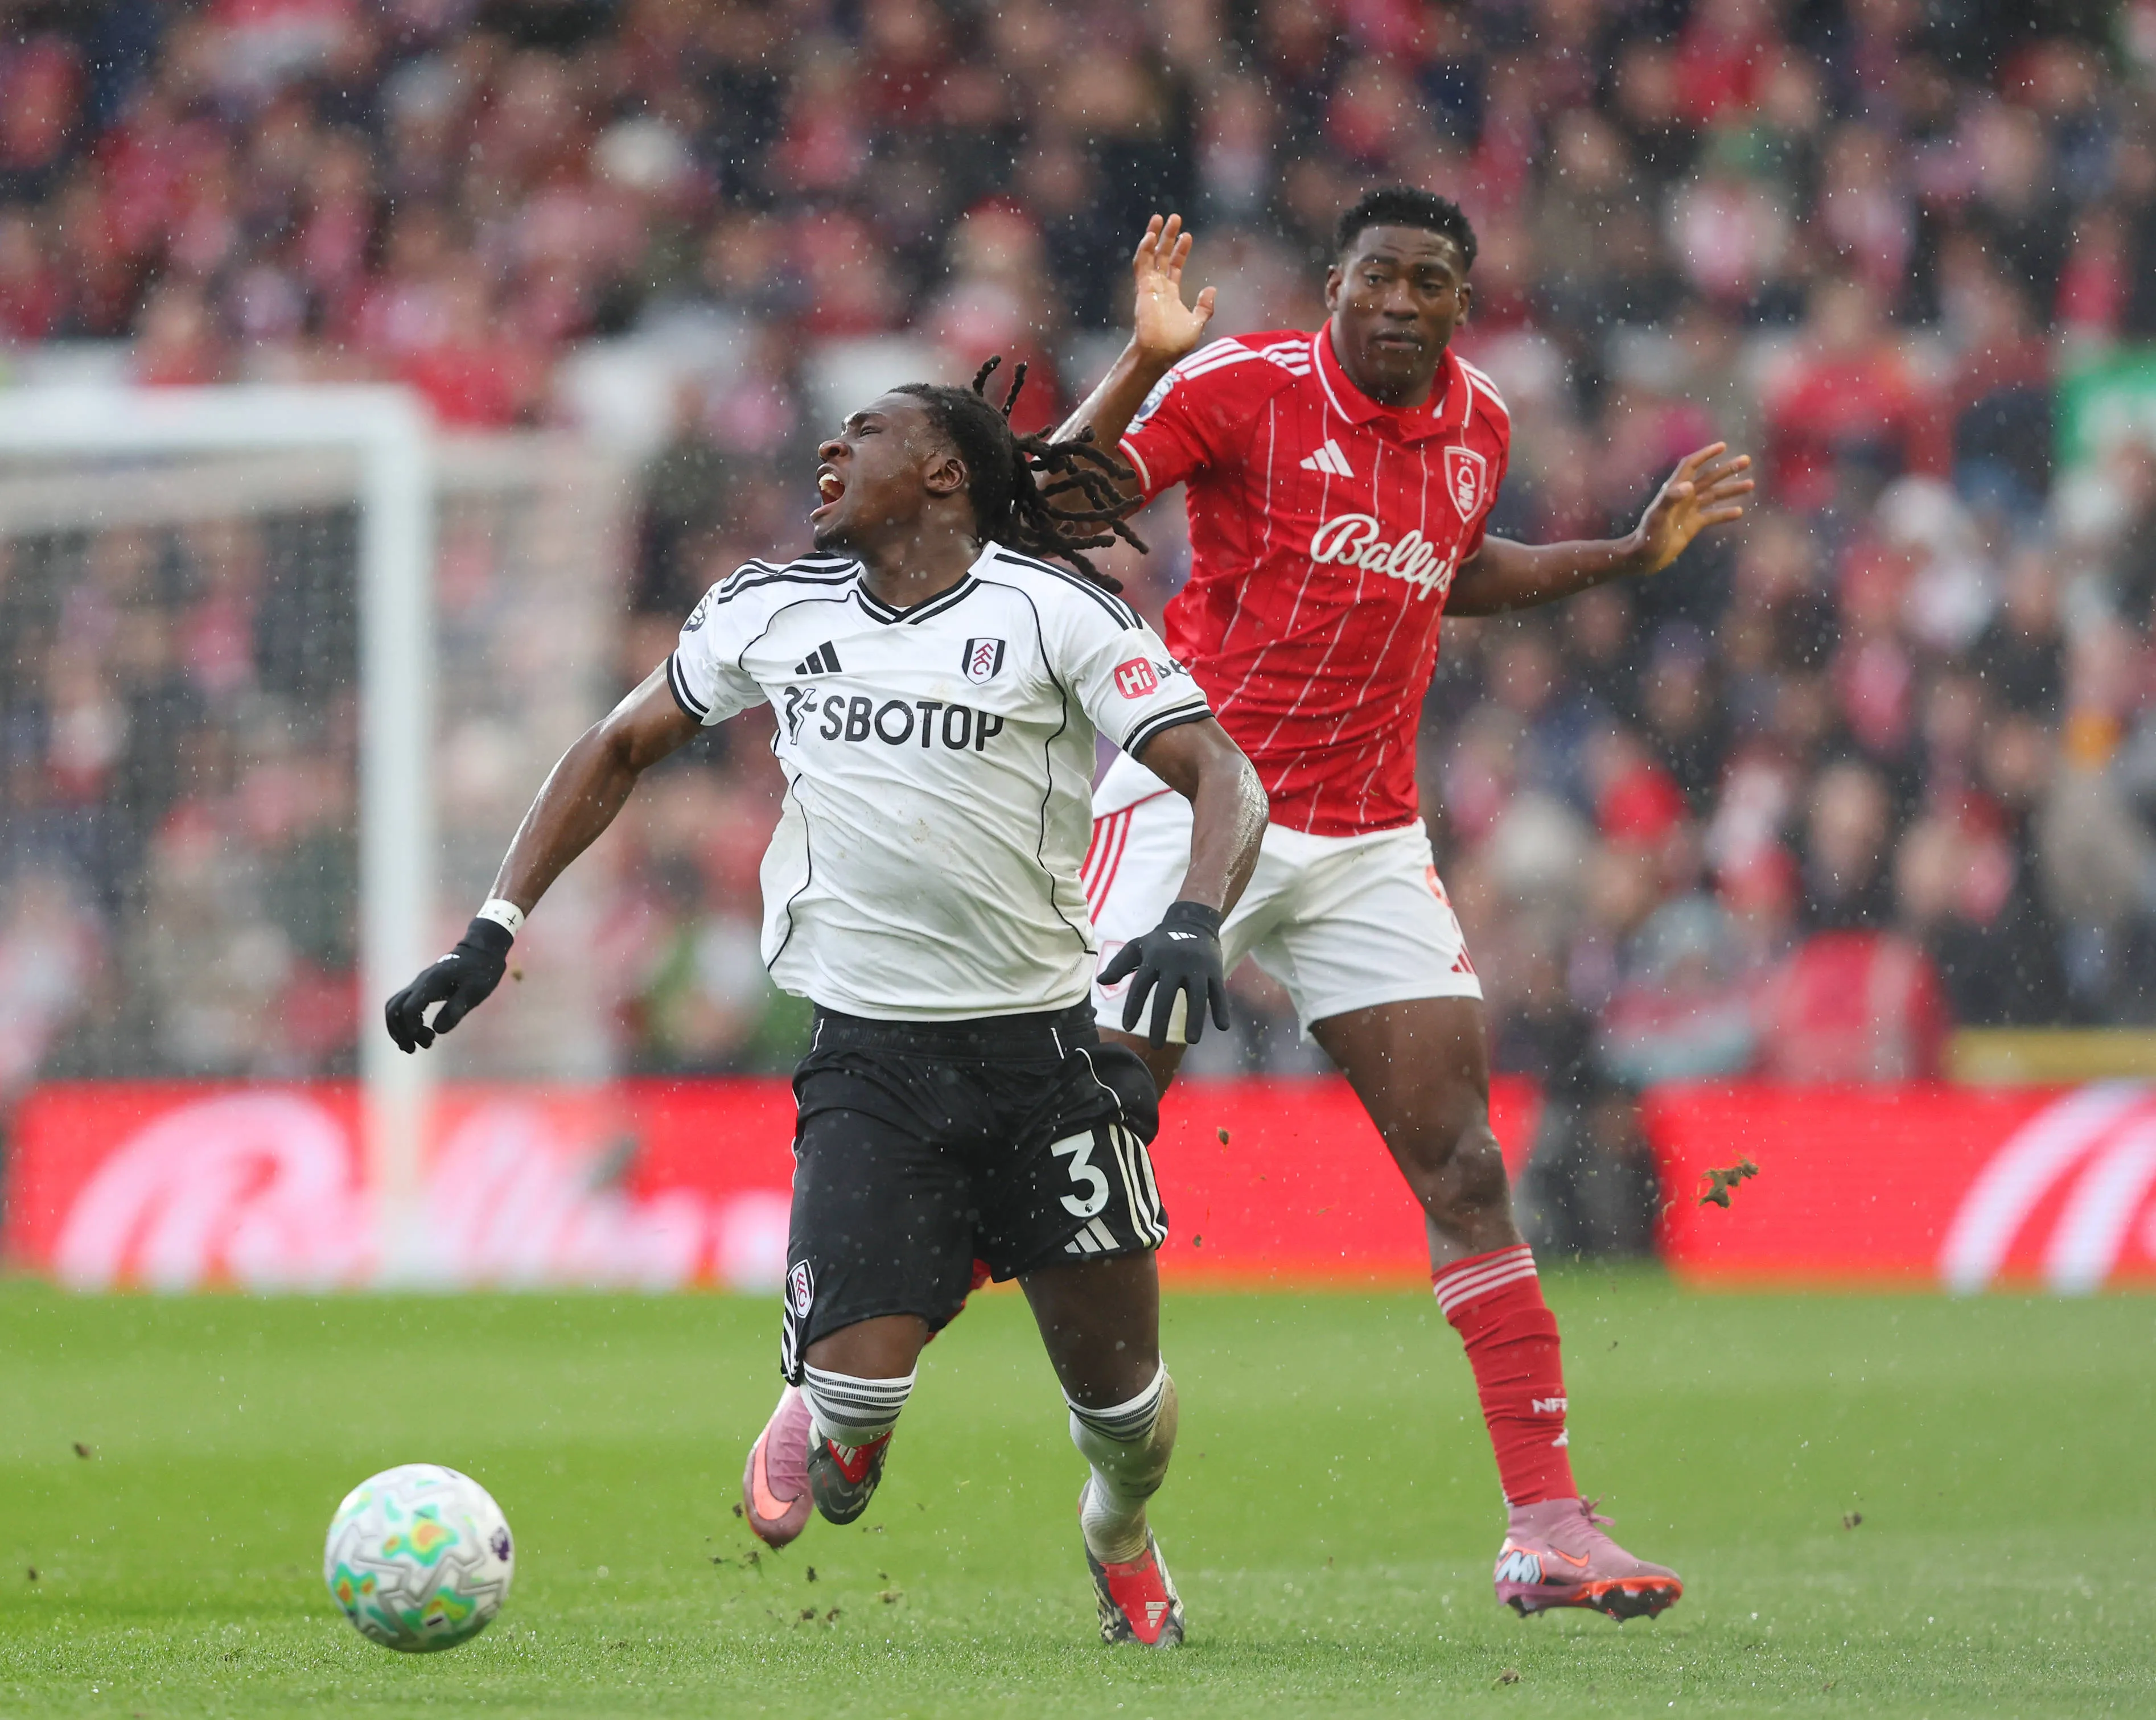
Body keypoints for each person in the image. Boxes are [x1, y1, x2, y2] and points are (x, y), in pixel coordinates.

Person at [750, 190, 1751, 1624]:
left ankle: (1544, 1520)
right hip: (1187, 805)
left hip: (1361, 838)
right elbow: (1054, 502)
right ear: (1334, 282)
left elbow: (1455, 576)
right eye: (1379, 278)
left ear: (1464, 304)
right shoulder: (1245, 386)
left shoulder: (1478, 424)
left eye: (1432, 284)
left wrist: (1625, 553)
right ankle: (838, 1385)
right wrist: (1148, 357)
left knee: (1465, 1163)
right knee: (1065, 1155)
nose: (1402, 303)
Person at [384, 359, 1269, 1650]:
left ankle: (1117, 1527)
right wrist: (491, 927)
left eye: (864, 434)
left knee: (1126, 1415)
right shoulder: (766, 607)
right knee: (853, 1421)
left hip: (1042, 1054)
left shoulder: (1053, 613)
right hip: (869, 1062)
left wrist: (1191, 919)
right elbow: (618, 743)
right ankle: (833, 1408)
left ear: (944, 472)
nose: (827, 452)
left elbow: (1219, 773)